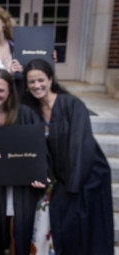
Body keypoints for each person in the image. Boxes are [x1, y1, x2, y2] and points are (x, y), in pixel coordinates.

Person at [22, 59, 114, 255]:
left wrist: (72, 186)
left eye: (41, 80)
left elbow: (80, 145)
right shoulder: (33, 112)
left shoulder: (72, 104)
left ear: (50, 79)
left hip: (87, 176)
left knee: (85, 229)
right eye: (32, 82)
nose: (37, 85)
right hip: (62, 179)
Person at [0, 69, 46, 255]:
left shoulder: (25, 114)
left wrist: (39, 173)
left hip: (22, 185)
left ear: (10, 91)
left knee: (18, 233)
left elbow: (38, 148)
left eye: (0, 90)